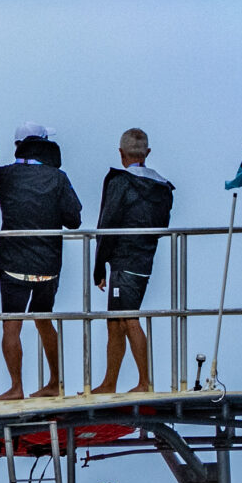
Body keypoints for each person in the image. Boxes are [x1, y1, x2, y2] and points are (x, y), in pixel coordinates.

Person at [0, 124, 81, 399]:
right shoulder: (57, 177)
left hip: (12, 262)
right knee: (44, 319)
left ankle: (16, 387)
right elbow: (74, 220)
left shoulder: (3, 176)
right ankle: (56, 382)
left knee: (11, 324)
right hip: (47, 266)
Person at [93, 129, 175, 394]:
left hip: (124, 260)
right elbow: (163, 224)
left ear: (121, 153)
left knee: (128, 318)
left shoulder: (120, 182)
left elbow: (107, 223)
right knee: (115, 320)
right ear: (147, 153)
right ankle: (110, 382)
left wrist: (99, 266)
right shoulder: (163, 187)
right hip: (144, 260)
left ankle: (144, 382)